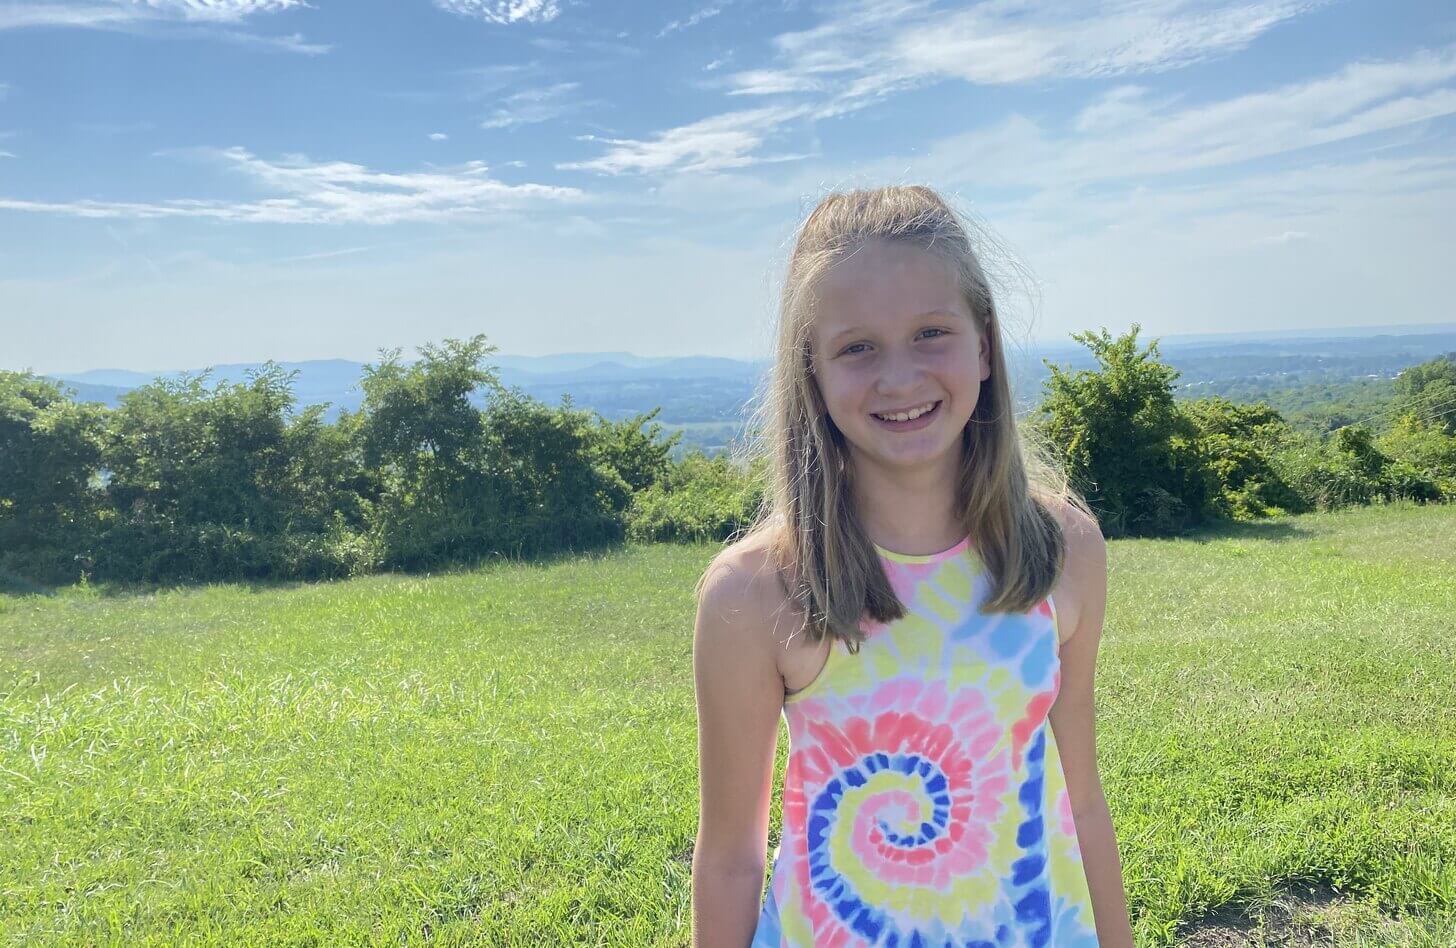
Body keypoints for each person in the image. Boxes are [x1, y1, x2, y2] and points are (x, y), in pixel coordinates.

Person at [690, 185, 1135, 947]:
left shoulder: (1065, 551)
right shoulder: (755, 592)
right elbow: (730, 857)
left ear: (986, 344)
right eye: (857, 347)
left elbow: (1082, 802)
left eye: (932, 332)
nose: (898, 377)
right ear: (813, 373)